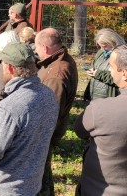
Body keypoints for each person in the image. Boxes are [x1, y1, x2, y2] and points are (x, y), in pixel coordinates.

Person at [0, 42, 59, 196]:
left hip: (6, 188)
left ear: (10, 68)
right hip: (33, 185)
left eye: (2, 64)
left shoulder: (10, 107)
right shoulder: (49, 95)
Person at [74, 44, 127, 196]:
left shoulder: (99, 109)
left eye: (111, 66)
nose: (109, 70)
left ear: (124, 73)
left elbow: (80, 131)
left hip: (101, 190)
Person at [34, 27, 78, 196]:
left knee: (41, 178)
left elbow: (50, 111)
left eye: (37, 48)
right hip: (48, 131)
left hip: (44, 134)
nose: (36, 52)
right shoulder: (59, 60)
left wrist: (38, 137)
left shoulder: (56, 75)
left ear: (45, 48)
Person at [84, 28, 125, 101]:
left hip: (110, 98)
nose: (102, 49)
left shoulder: (122, 55)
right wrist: (91, 70)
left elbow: (120, 78)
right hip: (95, 96)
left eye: (104, 46)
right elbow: (94, 65)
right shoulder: (101, 52)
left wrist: (98, 74)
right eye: (100, 46)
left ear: (113, 42)